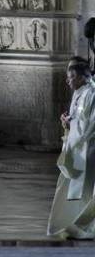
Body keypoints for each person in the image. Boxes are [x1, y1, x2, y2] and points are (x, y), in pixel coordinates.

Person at [47, 59, 95, 239]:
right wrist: (67, 121)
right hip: (77, 149)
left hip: (88, 149)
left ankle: (83, 226)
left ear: (83, 77)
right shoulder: (78, 93)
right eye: (68, 77)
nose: (68, 81)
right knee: (70, 188)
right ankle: (67, 223)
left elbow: (91, 124)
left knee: (86, 190)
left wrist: (75, 130)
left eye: (72, 77)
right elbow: (78, 118)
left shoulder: (92, 93)